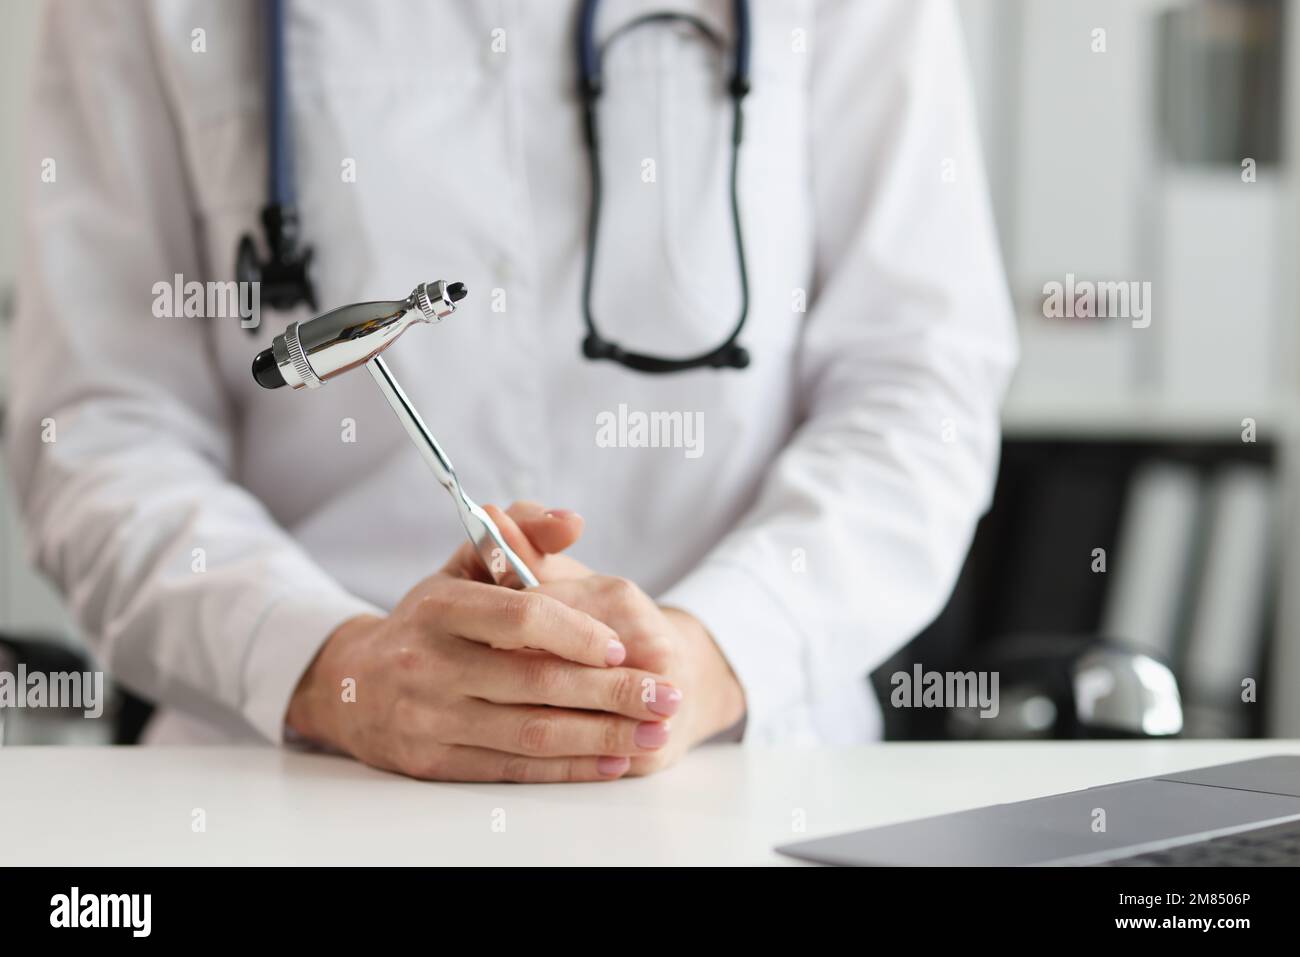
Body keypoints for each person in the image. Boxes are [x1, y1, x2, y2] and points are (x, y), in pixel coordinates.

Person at [6, 0, 1016, 781]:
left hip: (744, 778)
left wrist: (705, 659)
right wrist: (335, 668)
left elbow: (917, 379)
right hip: (293, 782)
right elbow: (99, 425)